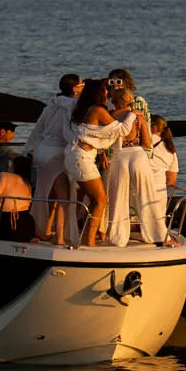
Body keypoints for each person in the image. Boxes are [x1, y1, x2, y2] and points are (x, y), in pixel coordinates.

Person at [65, 78, 134, 247]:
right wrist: (132, 113)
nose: (107, 93)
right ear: (98, 93)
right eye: (104, 90)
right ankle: (88, 240)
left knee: (96, 200)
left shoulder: (80, 109)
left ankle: (86, 237)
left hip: (75, 155)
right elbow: (123, 130)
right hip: (82, 158)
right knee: (100, 200)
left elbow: (94, 134)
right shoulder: (97, 110)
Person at [28, 74, 83, 242]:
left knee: (45, 193)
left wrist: (29, 150)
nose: (83, 87)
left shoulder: (52, 104)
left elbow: (38, 129)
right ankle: (60, 236)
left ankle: (43, 228)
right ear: (74, 89)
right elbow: (71, 132)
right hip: (58, 154)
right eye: (81, 84)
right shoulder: (73, 106)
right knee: (63, 197)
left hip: (42, 151)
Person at [102, 84, 152, 247]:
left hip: (119, 156)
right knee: (145, 195)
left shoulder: (110, 116)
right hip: (138, 155)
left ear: (115, 101)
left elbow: (105, 141)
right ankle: (153, 234)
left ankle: (118, 238)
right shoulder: (138, 117)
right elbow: (147, 143)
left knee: (118, 198)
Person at [142, 116, 180, 244]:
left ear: (151, 127)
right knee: (158, 219)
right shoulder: (170, 149)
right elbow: (171, 179)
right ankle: (159, 239)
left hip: (140, 186)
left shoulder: (142, 141)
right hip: (159, 190)